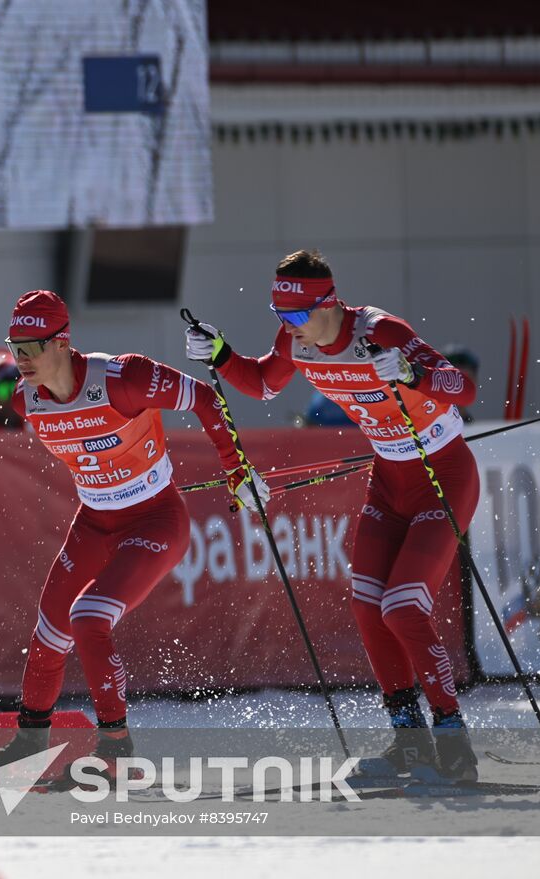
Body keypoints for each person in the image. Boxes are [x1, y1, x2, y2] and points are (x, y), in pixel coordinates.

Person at [186, 249, 480, 780]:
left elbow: (465, 387)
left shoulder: (380, 331)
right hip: (389, 482)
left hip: (444, 478)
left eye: (298, 317)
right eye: (280, 317)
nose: (290, 330)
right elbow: (262, 383)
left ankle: (453, 737)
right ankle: (408, 741)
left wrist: (412, 372)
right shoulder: (294, 339)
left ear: (329, 304)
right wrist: (221, 352)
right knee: (368, 607)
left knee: (403, 608)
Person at [0, 290, 258, 780]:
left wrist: (237, 470)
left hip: (155, 522)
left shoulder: (124, 379)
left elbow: (205, 397)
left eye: (32, 347)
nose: (21, 359)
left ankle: (117, 752)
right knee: (49, 633)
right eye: (14, 345)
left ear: (62, 343)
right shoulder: (25, 399)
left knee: (88, 617)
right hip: (95, 522)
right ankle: (27, 745)